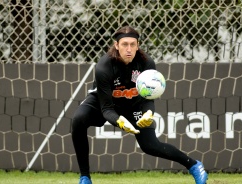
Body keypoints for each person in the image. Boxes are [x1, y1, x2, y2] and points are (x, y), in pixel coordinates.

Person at [71, 26, 208, 184]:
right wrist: (119, 121)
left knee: (150, 146)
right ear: (116, 45)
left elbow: (148, 99)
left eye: (132, 44)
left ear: (138, 45)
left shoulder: (146, 63)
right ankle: (85, 178)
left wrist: (148, 113)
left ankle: (194, 166)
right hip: (102, 102)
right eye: (124, 44)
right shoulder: (104, 66)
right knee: (78, 120)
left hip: (133, 105)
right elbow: (106, 109)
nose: (128, 49)